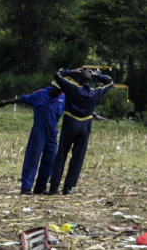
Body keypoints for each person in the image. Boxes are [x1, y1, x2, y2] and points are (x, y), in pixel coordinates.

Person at [47, 67, 114, 195]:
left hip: (70, 123)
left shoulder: (72, 88)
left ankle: (54, 187)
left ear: (78, 80)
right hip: (85, 126)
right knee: (78, 157)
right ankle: (68, 188)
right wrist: (97, 74)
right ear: (91, 80)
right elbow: (110, 83)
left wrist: (71, 71)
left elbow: (57, 74)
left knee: (61, 154)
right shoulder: (96, 93)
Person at [0, 82, 65, 195]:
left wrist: (91, 114)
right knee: (32, 159)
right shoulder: (39, 95)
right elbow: (23, 99)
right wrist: (7, 102)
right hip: (39, 132)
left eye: (61, 91)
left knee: (50, 161)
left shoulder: (63, 98)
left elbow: (76, 107)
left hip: (52, 133)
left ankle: (40, 188)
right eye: (58, 90)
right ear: (53, 87)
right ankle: (26, 188)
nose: (59, 93)